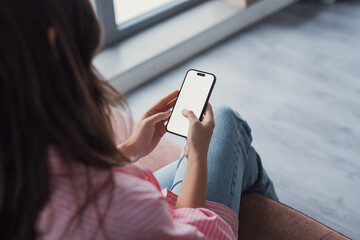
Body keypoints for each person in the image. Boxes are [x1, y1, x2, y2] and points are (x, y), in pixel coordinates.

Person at [0, 0, 278, 239]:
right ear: (56, 45)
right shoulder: (113, 202)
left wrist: (131, 149)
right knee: (228, 125)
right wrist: (197, 157)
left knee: (237, 155)